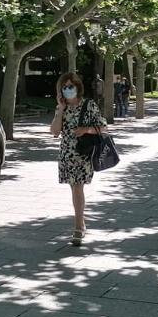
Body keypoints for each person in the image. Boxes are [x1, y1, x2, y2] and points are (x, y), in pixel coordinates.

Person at [50, 72, 105, 246]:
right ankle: (80, 223)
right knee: (74, 187)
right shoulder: (62, 107)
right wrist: (60, 109)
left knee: (77, 188)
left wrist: (85, 130)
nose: (68, 90)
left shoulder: (89, 105)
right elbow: (54, 131)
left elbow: (103, 128)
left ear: (78, 87)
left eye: (70, 86)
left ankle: (78, 226)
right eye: (64, 87)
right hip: (67, 153)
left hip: (83, 153)